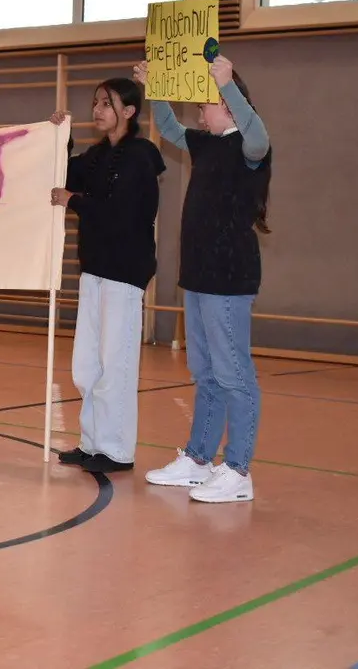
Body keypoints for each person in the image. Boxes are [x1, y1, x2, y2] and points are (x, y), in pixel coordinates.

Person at [137, 55, 272, 504]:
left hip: (228, 277)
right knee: (206, 373)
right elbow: (172, 130)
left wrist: (227, 84)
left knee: (235, 375)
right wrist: (155, 90)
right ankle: (198, 460)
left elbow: (258, 134)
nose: (199, 111)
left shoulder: (252, 147)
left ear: (231, 107)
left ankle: (238, 470)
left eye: (207, 103)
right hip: (197, 276)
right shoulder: (206, 143)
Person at [48, 78, 165, 474]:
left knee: (115, 362)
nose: (97, 110)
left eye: (106, 103)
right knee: (87, 365)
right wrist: (61, 137)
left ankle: (116, 451)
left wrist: (75, 201)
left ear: (129, 111)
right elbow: (66, 176)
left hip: (124, 272)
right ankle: (92, 443)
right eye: (95, 102)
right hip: (94, 269)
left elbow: (121, 211)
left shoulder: (142, 156)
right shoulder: (97, 156)